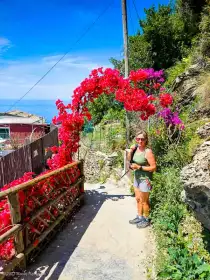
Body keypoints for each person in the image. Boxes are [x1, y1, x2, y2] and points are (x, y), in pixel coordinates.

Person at [128, 130, 156, 228]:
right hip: (137, 178)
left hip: (145, 179)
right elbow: (129, 160)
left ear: (146, 140)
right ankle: (139, 217)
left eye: (142, 139)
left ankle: (146, 219)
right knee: (138, 199)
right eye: (138, 139)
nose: (140, 141)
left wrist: (139, 167)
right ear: (136, 139)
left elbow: (153, 167)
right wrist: (131, 151)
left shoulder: (147, 151)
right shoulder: (136, 149)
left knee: (145, 201)